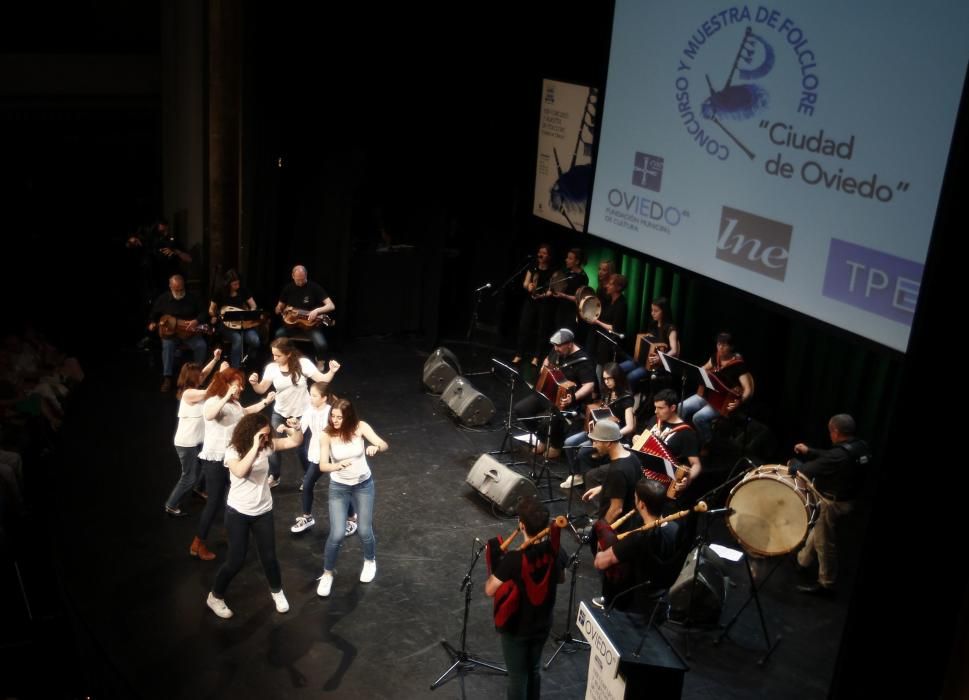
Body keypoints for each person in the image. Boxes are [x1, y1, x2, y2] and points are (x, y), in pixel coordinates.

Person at [205, 412, 303, 619]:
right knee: (235, 560)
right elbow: (240, 471)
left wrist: (296, 427)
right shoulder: (232, 451)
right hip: (237, 513)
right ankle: (215, 596)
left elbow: (295, 441)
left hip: (263, 511)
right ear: (251, 434)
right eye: (262, 435)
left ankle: (277, 592)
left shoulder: (267, 445)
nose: (266, 439)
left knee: (269, 556)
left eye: (267, 435)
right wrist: (254, 448)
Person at [484, 495, 567, 700]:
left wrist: (496, 565)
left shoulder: (514, 559)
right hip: (542, 625)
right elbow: (560, 578)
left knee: (517, 678)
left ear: (521, 525)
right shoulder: (556, 550)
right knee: (534, 670)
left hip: (517, 629)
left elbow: (490, 589)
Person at [191, 368, 275, 561]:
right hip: (216, 460)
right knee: (214, 502)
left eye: (240, 385)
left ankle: (230, 533)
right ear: (226, 384)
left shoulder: (235, 404)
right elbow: (210, 415)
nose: (240, 388)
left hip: (232, 457)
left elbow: (245, 413)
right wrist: (226, 394)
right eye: (236, 384)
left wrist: (265, 402)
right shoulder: (213, 402)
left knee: (232, 500)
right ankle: (198, 543)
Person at [789, 414, 869, 597]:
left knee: (824, 543)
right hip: (848, 500)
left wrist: (796, 465)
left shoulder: (839, 455)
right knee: (819, 531)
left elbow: (808, 470)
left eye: (830, 431)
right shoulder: (859, 447)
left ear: (835, 431)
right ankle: (802, 562)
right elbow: (833, 456)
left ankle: (826, 584)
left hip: (832, 503)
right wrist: (810, 451)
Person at [315, 398, 389, 597]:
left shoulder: (360, 427)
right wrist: (336, 466)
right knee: (337, 533)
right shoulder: (326, 435)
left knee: (364, 529)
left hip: (363, 484)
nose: (335, 420)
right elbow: (323, 465)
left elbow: (383, 444)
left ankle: (370, 561)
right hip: (339, 486)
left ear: (348, 417)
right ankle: (327, 573)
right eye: (333, 416)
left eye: (339, 417)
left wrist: (376, 447)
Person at [248, 338, 340, 487]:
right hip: (280, 412)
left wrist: (331, 371)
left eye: (278, 355)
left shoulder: (302, 364)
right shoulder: (272, 368)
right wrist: (254, 384)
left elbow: (322, 380)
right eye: (273, 355)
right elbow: (262, 389)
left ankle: (308, 478)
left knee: (301, 448)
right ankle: (275, 475)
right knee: (272, 445)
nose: (275, 358)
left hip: (302, 413)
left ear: (288, 354)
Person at [593, 478, 682, 615]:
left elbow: (600, 562)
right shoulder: (675, 528)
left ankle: (610, 600)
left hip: (636, 600)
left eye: (635, 498)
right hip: (660, 595)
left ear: (641, 504)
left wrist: (601, 548)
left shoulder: (640, 538)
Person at [512, 328, 596, 459]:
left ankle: (556, 445)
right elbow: (547, 360)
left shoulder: (583, 361)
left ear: (569, 344)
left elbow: (589, 386)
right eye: (554, 345)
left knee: (547, 421)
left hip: (567, 400)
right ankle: (544, 439)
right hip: (548, 394)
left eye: (559, 345)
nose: (555, 348)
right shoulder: (556, 351)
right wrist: (544, 369)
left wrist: (572, 398)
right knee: (521, 409)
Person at [289, 383, 357, 538]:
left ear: (324, 398)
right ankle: (307, 518)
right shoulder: (308, 411)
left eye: (314, 395)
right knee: (307, 485)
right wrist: (295, 426)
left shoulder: (331, 413)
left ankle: (352, 518)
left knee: (342, 487)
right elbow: (301, 429)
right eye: (310, 395)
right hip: (317, 455)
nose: (310, 398)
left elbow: (341, 430)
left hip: (334, 455)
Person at [164, 349, 224, 517]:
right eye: (198, 375)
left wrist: (215, 359)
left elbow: (204, 373)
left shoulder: (193, 386)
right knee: (188, 477)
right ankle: (171, 505)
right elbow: (208, 392)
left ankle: (199, 488)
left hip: (198, 441)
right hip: (186, 444)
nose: (201, 376)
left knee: (206, 464)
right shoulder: (188, 394)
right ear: (192, 377)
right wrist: (221, 373)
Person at [561, 362, 635, 489]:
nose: (606, 382)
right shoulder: (607, 393)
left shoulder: (626, 399)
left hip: (613, 436)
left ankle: (591, 480)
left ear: (617, 377)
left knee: (582, 450)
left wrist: (613, 436)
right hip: (599, 430)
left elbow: (630, 426)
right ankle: (577, 475)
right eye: (604, 379)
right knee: (569, 443)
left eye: (609, 378)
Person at [678, 332, 754, 447]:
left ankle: (707, 442)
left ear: (732, 347)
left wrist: (739, 402)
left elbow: (748, 389)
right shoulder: (715, 357)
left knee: (698, 417)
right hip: (707, 396)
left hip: (722, 402)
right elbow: (703, 368)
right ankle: (680, 437)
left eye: (724, 345)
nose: (720, 347)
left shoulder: (738, 366)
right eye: (718, 344)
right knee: (681, 407)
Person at [148, 275, 209, 393]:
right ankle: (167, 378)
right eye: (177, 290)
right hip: (172, 334)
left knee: (201, 345)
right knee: (167, 346)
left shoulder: (192, 298)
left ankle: (198, 377)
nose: (180, 292)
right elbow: (154, 314)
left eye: (181, 289)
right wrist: (152, 323)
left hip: (189, 332)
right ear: (170, 287)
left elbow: (203, 313)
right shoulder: (163, 299)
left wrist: (196, 321)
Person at [639, 389, 702, 499]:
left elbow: (696, 464)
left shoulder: (686, 433)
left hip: (662, 480)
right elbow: (643, 440)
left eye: (660, 408)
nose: (656, 411)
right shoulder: (655, 419)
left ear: (672, 408)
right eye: (655, 407)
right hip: (642, 469)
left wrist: (687, 480)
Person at [274, 265, 335, 363]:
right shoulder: (288, 288)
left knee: (322, 344)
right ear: (293, 276)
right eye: (298, 280)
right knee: (278, 335)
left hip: (309, 324)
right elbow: (278, 308)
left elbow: (331, 306)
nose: (301, 282)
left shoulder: (314, 287)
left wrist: (317, 311)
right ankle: (284, 359)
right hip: (292, 324)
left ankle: (320, 361)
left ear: (306, 275)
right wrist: (281, 309)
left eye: (303, 279)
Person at [619, 296, 680, 389]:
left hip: (657, 366)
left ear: (664, 311)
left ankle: (629, 401)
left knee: (631, 377)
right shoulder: (653, 324)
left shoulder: (671, 329)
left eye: (656, 311)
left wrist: (660, 358)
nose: (652, 313)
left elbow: (674, 350)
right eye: (652, 310)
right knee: (617, 369)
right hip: (643, 361)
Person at [512, 243, 556, 367]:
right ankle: (519, 354)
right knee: (524, 326)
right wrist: (528, 286)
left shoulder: (552, 270)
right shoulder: (533, 266)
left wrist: (543, 295)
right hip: (531, 300)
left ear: (549, 256)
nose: (540, 254)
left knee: (542, 330)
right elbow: (525, 283)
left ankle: (537, 357)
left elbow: (551, 290)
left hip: (544, 302)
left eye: (544, 253)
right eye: (540, 252)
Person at [209, 269, 262, 369]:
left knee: (255, 341)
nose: (237, 286)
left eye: (238, 283)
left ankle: (246, 359)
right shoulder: (220, 292)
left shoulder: (243, 290)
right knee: (237, 339)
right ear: (228, 284)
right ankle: (235, 369)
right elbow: (211, 309)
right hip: (226, 325)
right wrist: (214, 316)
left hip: (243, 323)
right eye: (234, 284)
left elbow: (253, 306)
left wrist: (251, 313)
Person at [586, 273, 629, 389]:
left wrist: (597, 322)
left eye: (610, 284)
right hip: (601, 340)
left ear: (618, 288)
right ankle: (599, 395)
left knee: (602, 373)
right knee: (597, 370)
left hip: (609, 344)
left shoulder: (621, 304)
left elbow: (615, 328)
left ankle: (605, 398)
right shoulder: (610, 301)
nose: (607, 286)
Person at [552, 247, 589, 332]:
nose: (566, 260)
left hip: (571, 313)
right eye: (567, 257)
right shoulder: (566, 272)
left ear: (577, 261)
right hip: (561, 309)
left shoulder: (583, 277)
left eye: (570, 258)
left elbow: (579, 298)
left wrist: (563, 295)